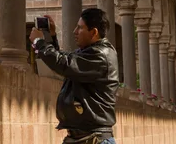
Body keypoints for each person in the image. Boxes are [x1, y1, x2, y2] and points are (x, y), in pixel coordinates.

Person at [29, 9, 119, 144]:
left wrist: (38, 42)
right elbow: (66, 63)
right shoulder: (90, 53)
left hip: (94, 139)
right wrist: (51, 37)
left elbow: (65, 65)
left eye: (80, 27)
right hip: (81, 138)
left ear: (94, 32)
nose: (74, 31)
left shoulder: (101, 55)